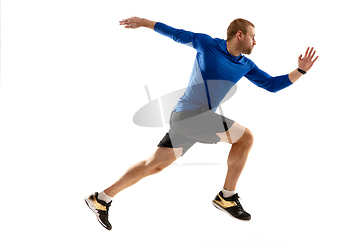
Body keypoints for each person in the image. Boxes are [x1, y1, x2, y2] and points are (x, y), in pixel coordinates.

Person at [85, 17, 319, 230]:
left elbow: (271, 85)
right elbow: (176, 33)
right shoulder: (208, 44)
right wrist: (144, 23)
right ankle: (227, 197)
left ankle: (102, 198)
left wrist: (300, 71)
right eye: (252, 36)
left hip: (193, 120)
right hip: (189, 115)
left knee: (154, 165)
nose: (255, 42)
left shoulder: (245, 65)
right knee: (245, 138)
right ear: (239, 34)